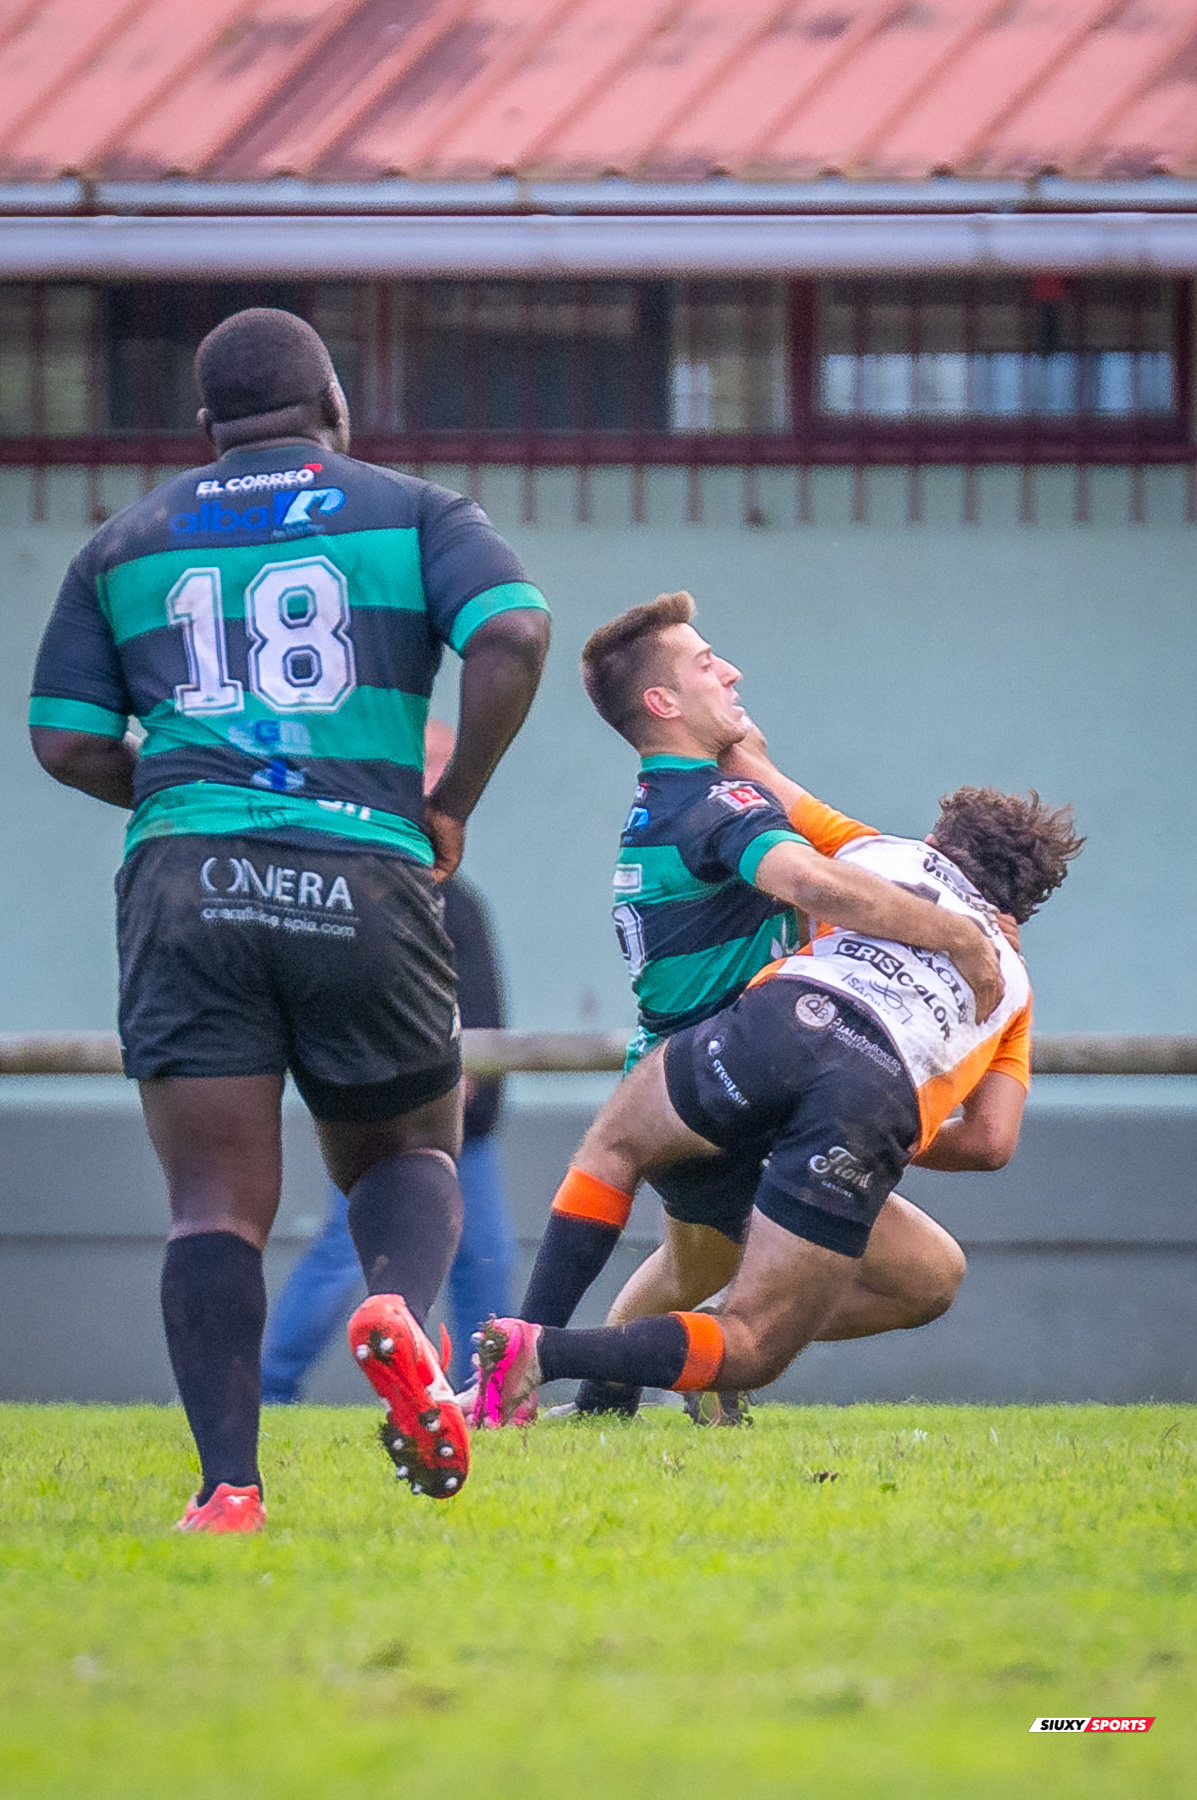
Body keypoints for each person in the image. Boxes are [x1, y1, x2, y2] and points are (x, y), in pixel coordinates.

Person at [29, 307, 550, 1530]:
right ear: (337, 409)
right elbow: (514, 632)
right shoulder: (417, 511)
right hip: (362, 864)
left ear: (205, 428)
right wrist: (448, 800)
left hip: (184, 882)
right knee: (412, 1152)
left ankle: (228, 1489)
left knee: (213, 1201)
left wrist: (175, 785)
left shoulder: (123, 542)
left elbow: (61, 737)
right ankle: (393, 1309)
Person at [501, 591, 1006, 1425]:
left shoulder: (673, 801)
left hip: (684, 1087)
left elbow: (793, 829)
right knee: (926, 1277)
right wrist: (957, 934)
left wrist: (755, 758)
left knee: (691, 1262)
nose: (730, 670)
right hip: (736, 1093)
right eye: (706, 663)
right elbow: (811, 881)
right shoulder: (715, 808)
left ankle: (596, 1396)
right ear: (662, 704)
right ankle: (637, 1362)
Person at [473, 777, 1083, 1426]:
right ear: (1018, 909)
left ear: (934, 840)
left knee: (683, 1248)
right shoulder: (1009, 982)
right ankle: (638, 1357)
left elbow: (753, 763)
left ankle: (592, 1389)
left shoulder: (871, 850)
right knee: (912, 1283)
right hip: (848, 1110)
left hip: (742, 1055)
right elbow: (991, 1142)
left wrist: (707, 709)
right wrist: (893, 1138)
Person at [261, 719, 515, 1400]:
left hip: (474, 1135)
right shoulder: (367, 884)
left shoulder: (452, 894)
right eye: (426, 763)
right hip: (394, 1121)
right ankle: (267, 1389)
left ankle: (486, 1401)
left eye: (444, 764)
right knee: (346, 1258)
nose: (441, 779)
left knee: (485, 1270)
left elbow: (479, 1008)